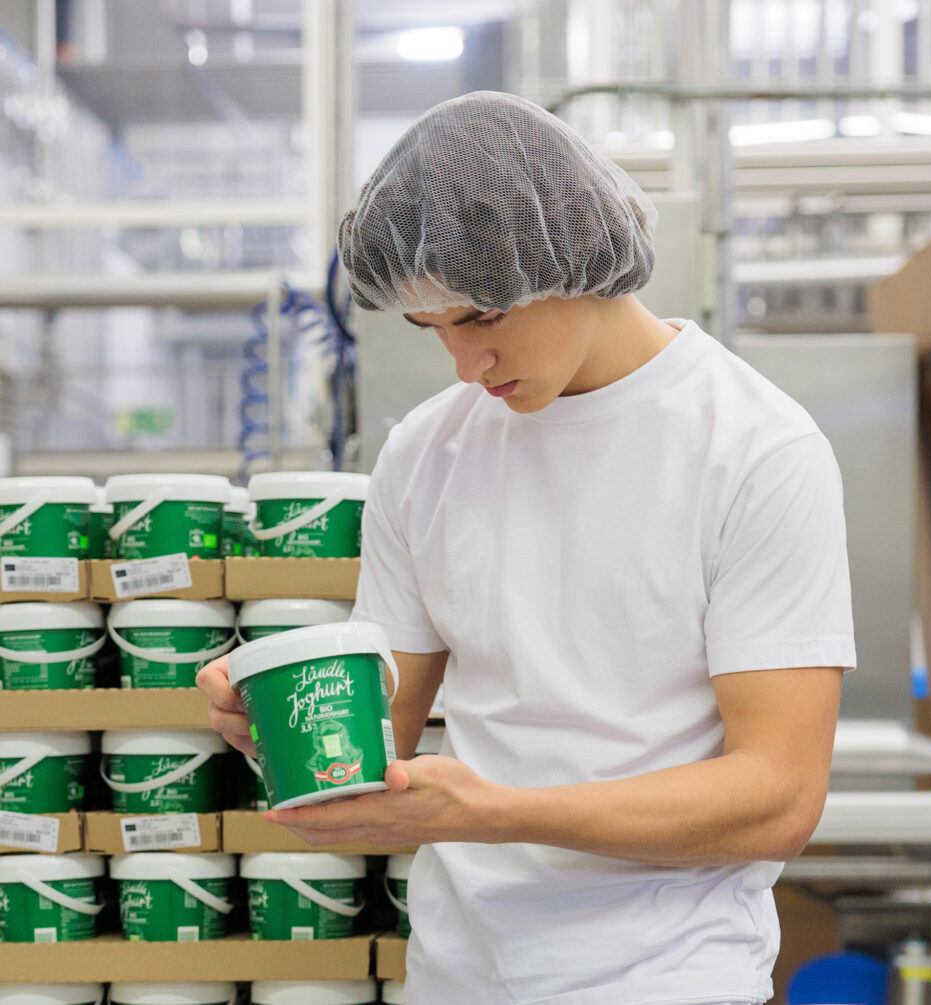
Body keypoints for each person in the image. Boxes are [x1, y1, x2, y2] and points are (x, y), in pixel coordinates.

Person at [198, 91, 855, 1005]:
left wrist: (496, 813)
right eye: (431, 329)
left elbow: (778, 797)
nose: (465, 366)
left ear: (574, 255)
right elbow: (380, 736)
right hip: (457, 975)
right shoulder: (425, 453)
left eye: (479, 318)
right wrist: (283, 721)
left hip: (664, 977)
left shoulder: (755, 450)